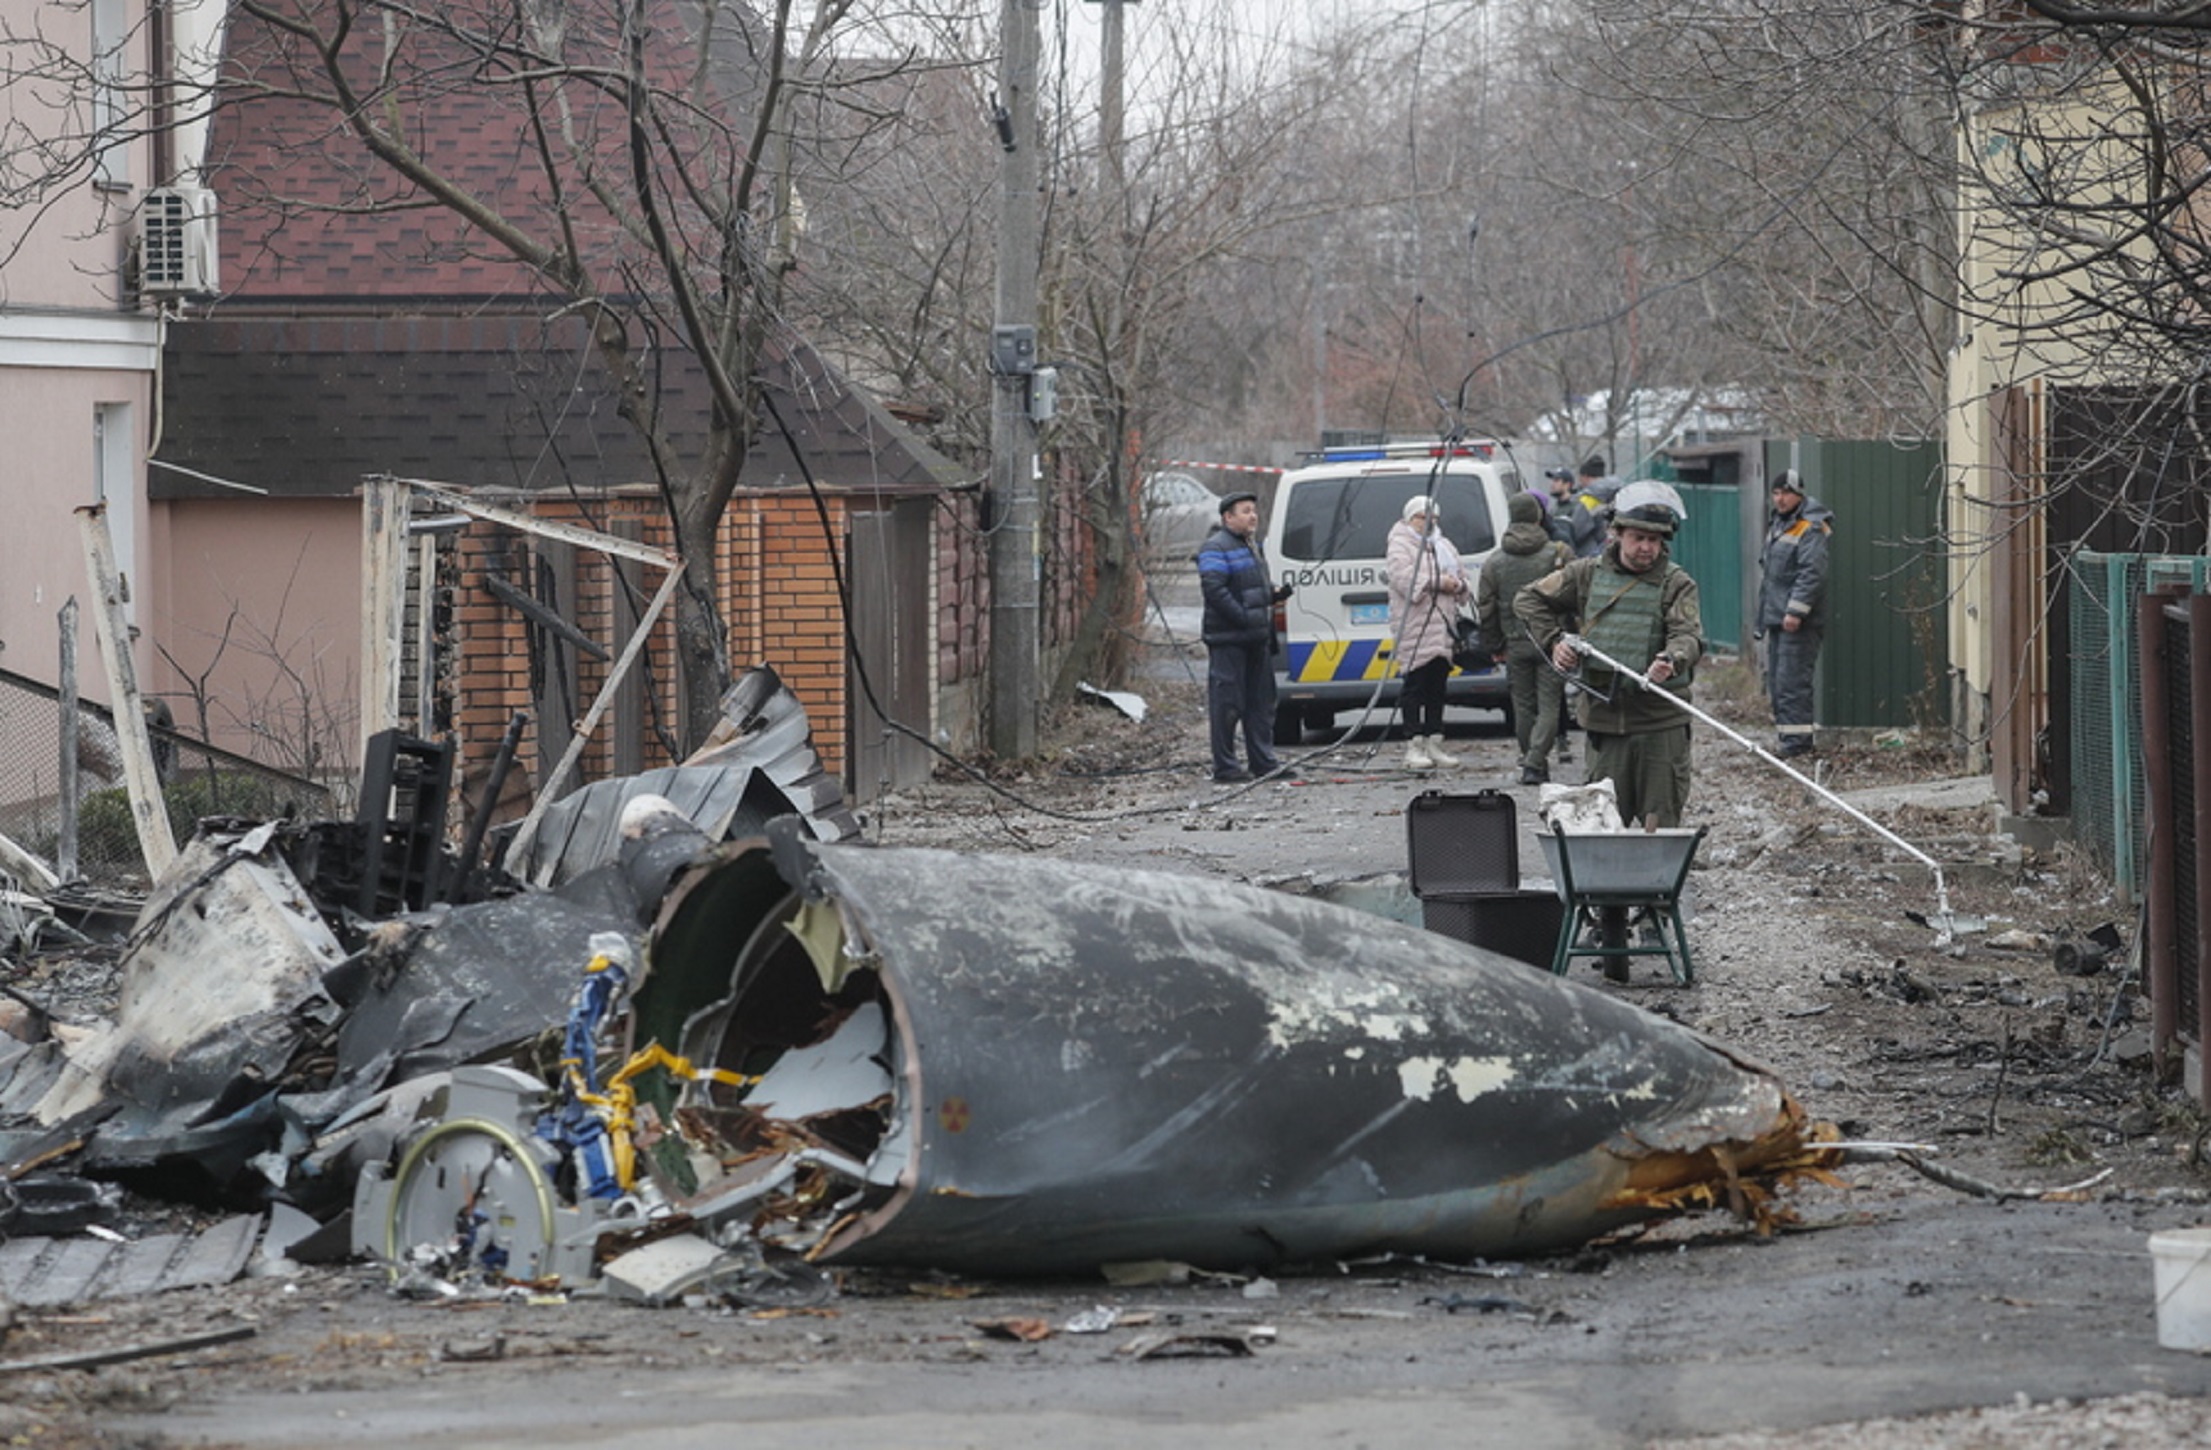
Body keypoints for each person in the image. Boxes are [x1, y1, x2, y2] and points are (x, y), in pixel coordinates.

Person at [1515, 480, 1703, 828]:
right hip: (1605, 721)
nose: (1647, 547)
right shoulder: (1585, 575)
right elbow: (1528, 599)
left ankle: (1657, 884)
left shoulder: (1677, 584)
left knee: (1660, 825)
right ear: (1616, 533)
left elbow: (1688, 635)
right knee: (1600, 822)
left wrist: (1671, 659)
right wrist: (1556, 641)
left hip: (1659, 723)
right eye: (1638, 538)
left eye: (1654, 540)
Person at [1477, 491, 1571, 785]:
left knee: (1523, 706)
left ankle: (1533, 763)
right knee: (1550, 704)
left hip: (1514, 642)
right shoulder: (1557, 553)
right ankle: (1535, 762)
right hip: (1552, 642)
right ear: (1538, 516)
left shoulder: (1495, 562)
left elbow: (1486, 608)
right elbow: (1575, 595)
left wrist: (1494, 644)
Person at [1198, 490, 1293, 784]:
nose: (1253, 516)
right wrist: (1242, 617)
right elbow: (1215, 590)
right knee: (1228, 705)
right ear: (1228, 518)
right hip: (1229, 640)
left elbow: (1254, 586)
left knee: (1261, 704)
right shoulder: (1214, 548)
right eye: (1245, 511)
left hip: (1257, 638)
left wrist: (1274, 593)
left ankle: (1263, 762)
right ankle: (1225, 767)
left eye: (1254, 510)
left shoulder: (1250, 546)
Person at [1385, 495, 1470, 772]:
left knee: (1437, 687)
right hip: (1415, 626)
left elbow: (1461, 575)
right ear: (1410, 519)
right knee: (1414, 686)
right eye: (1422, 517)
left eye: (1433, 518)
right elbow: (1403, 579)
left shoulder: (1443, 545)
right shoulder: (1400, 544)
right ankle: (1414, 743)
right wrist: (1437, 583)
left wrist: (1457, 584)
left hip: (1442, 627)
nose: (1428, 523)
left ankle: (1435, 741)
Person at [1758, 469, 1833, 760]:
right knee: (1779, 682)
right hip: (1778, 617)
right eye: (1776, 493)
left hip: (1797, 622)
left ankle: (1797, 745)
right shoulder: (1780, 523)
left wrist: (1795, 611)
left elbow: (1811, 574)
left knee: (1792, 683)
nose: (1780, 499)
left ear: (1798, 494)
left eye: (1785, 493)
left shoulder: (1809, 527)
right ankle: (1788, 739)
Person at [1544, 456, 1618, 559]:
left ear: (1585, 477)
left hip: (1586, 556)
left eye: (1556, 480)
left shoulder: (1588, 499)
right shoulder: (1615, 494)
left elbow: (1577, 531)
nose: (1552, 484)